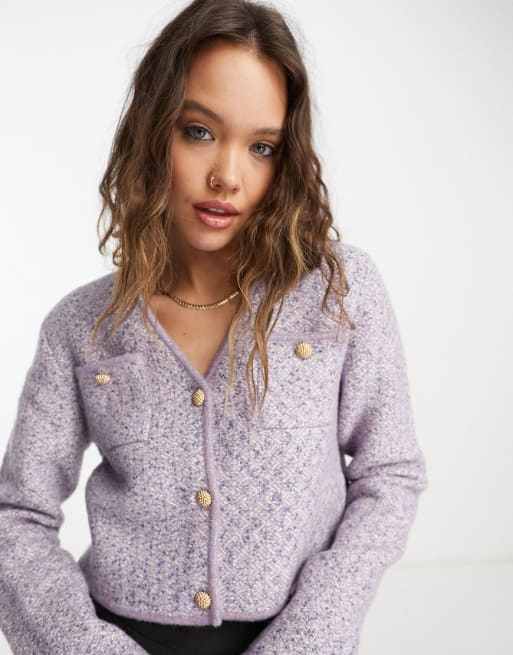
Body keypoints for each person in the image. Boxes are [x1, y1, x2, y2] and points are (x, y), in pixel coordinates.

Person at [0, 1, 429, 654]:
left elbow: (389, 474)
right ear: (153, 131)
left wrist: (311, 636)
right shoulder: (80, 326)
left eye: (262, 147)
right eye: (198, 131)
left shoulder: (337, 294)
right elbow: (16, 518)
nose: (227, 175)